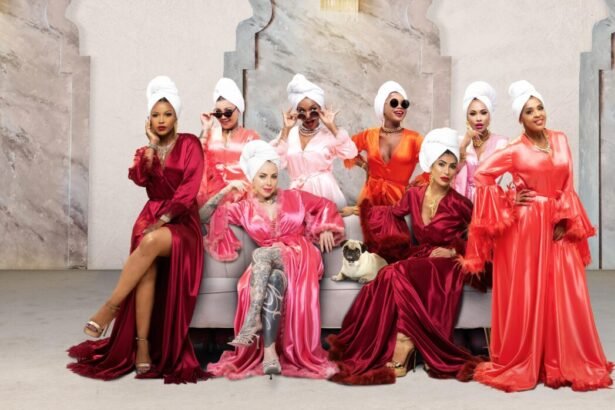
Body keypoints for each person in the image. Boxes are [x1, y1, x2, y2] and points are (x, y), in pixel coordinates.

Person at [463, 80, 613, 392]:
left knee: (565, 290)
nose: (537, 114)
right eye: (529, 111)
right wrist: (508, 199)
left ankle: (563, 357)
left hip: (558, 223)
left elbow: (568, 182)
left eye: (540, 107)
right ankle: (528, 359)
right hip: (527, 227)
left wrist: (565, 216)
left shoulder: (560, 140)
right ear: (520, 118)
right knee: (530, 290)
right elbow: (482, 175)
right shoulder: (515, 150)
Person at [67, 76, 207, 383]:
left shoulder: (190, 144)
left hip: (181, 223)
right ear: (149, 119)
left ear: (176, 117)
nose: (161, 120)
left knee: (153, 240)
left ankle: (109, 309)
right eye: (155, 115)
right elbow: (140, 179)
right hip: (149, 216)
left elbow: (188, 190)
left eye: (167, 114)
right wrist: (151, 148)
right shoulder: (145, 150)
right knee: (147, 270)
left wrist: (165, 218)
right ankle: (142, 347)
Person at [328, 128, 479, 385]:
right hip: (420, 257)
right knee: (389, 273)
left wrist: (455, 250)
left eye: (452, 166)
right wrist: (360, 209)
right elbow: (389, 213)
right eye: (441, 164)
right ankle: (400, 339)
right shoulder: (413, 195)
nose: (446, 171)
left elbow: (481, 237)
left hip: (445, 264)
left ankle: (404, 343)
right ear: (430, 165)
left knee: (395, 271)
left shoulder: (461, 204)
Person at [201, 140, 344, 379]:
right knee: (273, 279)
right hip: (268, 267)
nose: (269, 183)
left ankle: (253, 318)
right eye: (262, 176)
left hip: (300, 255)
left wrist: (325, 227)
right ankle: (269, 354)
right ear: (251, 178)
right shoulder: (243, 207)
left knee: (261, 254)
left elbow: (327, 205)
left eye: (273, 176)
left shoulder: (295, 197)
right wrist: (226, 191)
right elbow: (203, 215)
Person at [270, 74, 357, 212]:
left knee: (329, 231)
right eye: (302, 112)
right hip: (298, 196)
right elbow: (275, 163)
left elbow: (350, 153)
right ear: (296, 113)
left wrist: (332, 126)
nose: (308, 116)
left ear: (320, 110)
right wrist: (286, 130)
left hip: (326, 193)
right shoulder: (288, 135)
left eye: (313, 110)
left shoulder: (329, 134)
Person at [344, 81, 423, 210]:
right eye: (394, 103)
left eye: (404, 104)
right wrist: (364, 165)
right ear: (382, 106)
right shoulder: (369, 135)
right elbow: (346, 149)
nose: (400, 107)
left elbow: (435, 161)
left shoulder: (414, 139)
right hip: (369, 199)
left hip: (399, 204)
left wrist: (415, 185)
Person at [196, 77, 259, 208]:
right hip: (211, 199)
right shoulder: (210, 134)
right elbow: (195, 158)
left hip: (241, 199)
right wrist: (205, 128)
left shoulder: (250, 137)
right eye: (218, 113)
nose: (223, 117)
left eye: (228, 112)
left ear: (238, 110)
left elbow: (258, 171)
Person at [454, 81, 508, 202]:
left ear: (490, 115)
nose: (479, 118)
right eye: (473, 114)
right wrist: (464, 145)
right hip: (461, 204)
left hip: (489, 204)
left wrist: (515, 196)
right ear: (467, 117)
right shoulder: (459, 142)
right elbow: (451, 174)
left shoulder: (501, 143)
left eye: (483, 113)